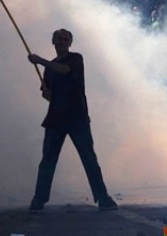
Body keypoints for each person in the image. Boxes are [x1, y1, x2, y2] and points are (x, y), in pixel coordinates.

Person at [27, 29, 117, 212]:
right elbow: (49, 96)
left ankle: (102, 197)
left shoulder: (75, 59)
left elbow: (64, 70)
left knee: (88, 158)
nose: (61, 41)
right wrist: (46, 92)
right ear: (53, 42)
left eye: (65, 39)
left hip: (77, 117)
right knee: (48, 161)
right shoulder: (50, 68)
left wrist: (39, 61)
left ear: (70, 43)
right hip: (55, 118)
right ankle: (39, 199)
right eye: (58, 39)